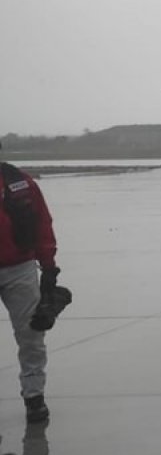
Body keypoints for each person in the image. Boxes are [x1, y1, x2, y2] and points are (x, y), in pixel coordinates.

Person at [0, 154, 58, 423]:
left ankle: (34, 396)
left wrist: (48, 267)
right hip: (18, 268)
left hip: (20, 268)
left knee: (32, 336)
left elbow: (42, 223)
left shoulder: (21, 181)